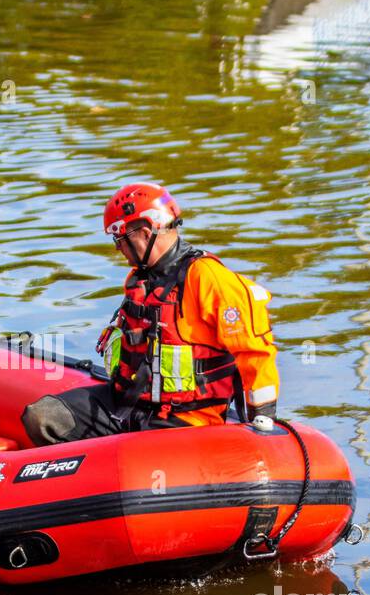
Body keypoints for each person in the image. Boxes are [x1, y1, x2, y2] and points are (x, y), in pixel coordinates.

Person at [22, 182, 279, 445]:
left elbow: (255, 354)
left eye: (120, 239)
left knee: (138, 458)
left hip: (188, 420)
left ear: (145, 233)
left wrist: (263, 421)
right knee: (44, 416)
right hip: (130, 405)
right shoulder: (141, 281)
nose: (117, 249)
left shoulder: (209, 279)